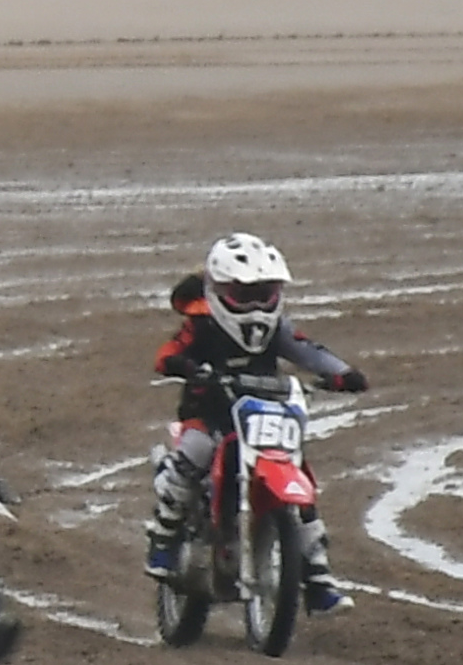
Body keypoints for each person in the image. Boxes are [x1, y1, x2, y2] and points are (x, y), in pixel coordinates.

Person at [145, 231, 368, 613]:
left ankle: (317, 578)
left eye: (265, 292)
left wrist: (342, 373)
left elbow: (306, 349)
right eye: (245, 294)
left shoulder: (276, 327)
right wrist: (185, 365)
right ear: (220, 289)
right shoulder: (201, 324)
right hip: (210, 412)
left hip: (265, 412)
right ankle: (163, 539)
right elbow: (168, 353)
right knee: (195, 451)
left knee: (300, 474)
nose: (256, 304)